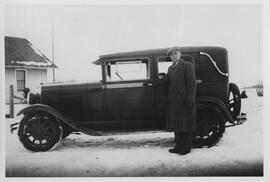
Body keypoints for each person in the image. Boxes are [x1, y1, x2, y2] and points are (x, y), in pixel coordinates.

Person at [166, 47, 197, 155]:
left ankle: (186, 149)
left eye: (175, 53)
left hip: (184, 101)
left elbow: (192, 84)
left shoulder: (187, 65)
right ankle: (178, 147)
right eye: (171, 54)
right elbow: (168, 82)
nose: (173, 56)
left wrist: (190, 99)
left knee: (186, 126)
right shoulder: (170, 68)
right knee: (177, 126)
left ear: (180, 54)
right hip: (174, 102)